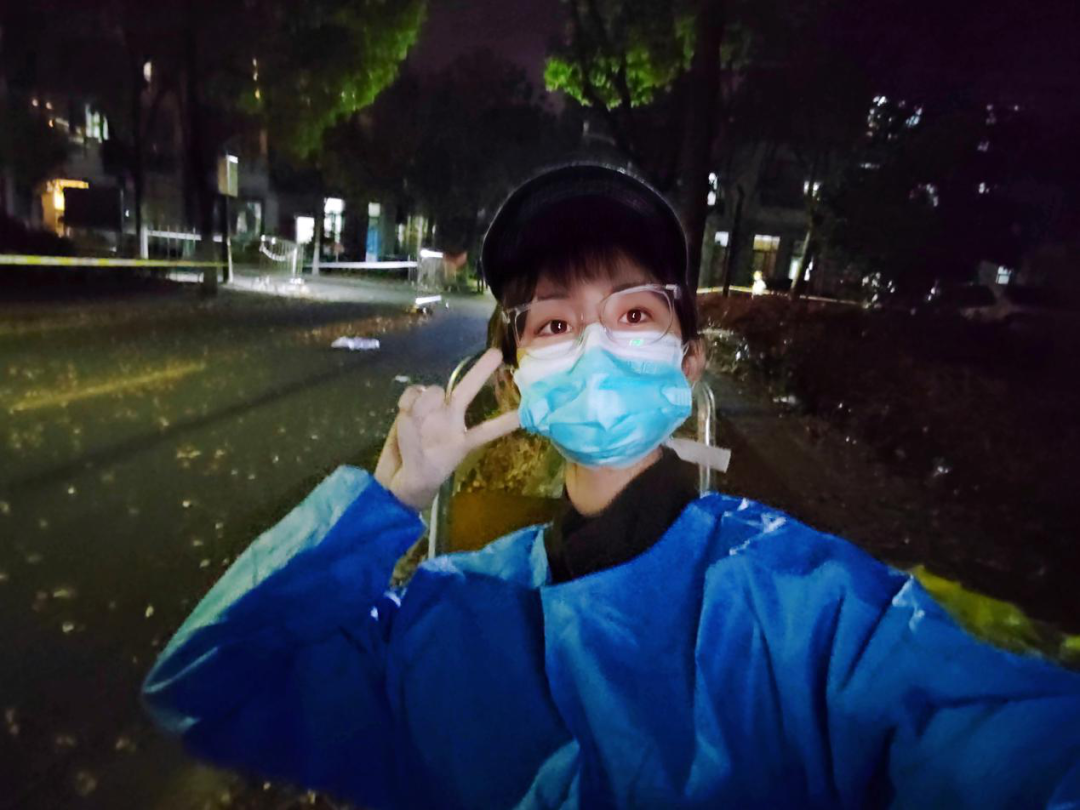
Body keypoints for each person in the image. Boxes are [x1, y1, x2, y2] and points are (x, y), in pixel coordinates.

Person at [143, 164, 1080, 809]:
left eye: (632, 313)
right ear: (516, 381)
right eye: (553, 325)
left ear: (690, 363)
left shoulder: (812, 611)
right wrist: (383, 506)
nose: (593, 344)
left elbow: (1014, 745)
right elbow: (208, 684)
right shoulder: (445, 618)